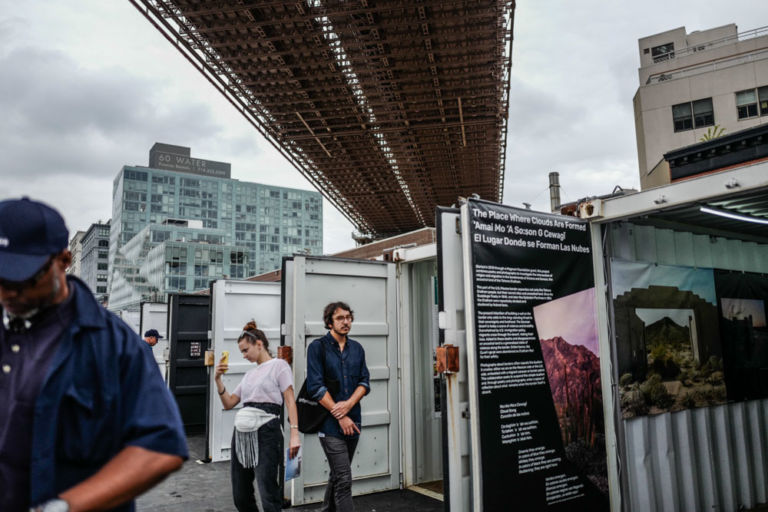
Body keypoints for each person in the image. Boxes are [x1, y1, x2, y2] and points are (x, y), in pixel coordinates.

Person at [0, 197, 188, 512]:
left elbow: (161, 446)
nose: (8, 292)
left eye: (23, 279)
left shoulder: (115, 346)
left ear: (63, 260)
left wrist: (65, 507)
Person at [214, 321, 301, 512]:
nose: (244, 356)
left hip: (267, 431)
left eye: (246, 350)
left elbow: (289, 399)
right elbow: (229, 403)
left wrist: (295, 434)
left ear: (259, 344)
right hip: (242, 433)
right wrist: (218, 380)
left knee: (269, 492)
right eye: (242, 352)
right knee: (240, 494)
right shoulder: (249, 375)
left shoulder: (279, 365)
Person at [306, 301, 370, 512]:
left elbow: (364, 382)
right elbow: (315, 388)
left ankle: (326, 510)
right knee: (344, 478)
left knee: (337, 473)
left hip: (355, 422)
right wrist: (340, 416)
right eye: (340, 318)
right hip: (330, 426)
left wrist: (349, 405)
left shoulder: (357, 349)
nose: (346, 322)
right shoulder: (317, 347)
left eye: (348, 317)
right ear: (329, 322)